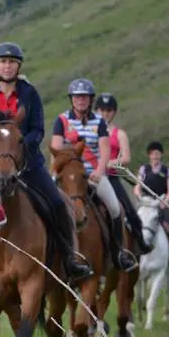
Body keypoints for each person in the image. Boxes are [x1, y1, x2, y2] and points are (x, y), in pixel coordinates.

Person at [0, 42, 94, 282]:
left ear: (18, 66)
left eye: (12, 62)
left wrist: (21, 147)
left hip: (27, 164)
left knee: (57, 203)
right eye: (3, 62)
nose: (7, 66)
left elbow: (37, 129)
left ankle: (69, 258)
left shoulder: (29, 93)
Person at [50, 79, 137, 272]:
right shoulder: (62, 120)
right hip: (68, 175)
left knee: (115, 209)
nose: (81, 100)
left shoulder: (99, 122)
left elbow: (105, 150)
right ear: (71, 99)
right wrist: (57, 171)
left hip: (93, 175)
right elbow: (56, 148)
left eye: (84, 97)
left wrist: (99, 172)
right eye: (77, 97)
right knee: (48, 205)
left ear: (90, 100)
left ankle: (118, 252)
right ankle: (50, 252)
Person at [94, 93, 152, 254]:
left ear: (114, 112)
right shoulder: (90, 130)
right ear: (96, 110)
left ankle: (140, 242)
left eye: (109, 110)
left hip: (111, 177)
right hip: (92, 176)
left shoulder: (119, 134)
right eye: (102, 110)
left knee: (130, 211)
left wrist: (112, 162)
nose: (105, 113)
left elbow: (126, 158)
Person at [135, 141, 169, 273]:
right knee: (132, 228)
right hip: (146, 204)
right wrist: (138, 196)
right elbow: (137, 186)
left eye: (157, 154)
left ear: (161, 155)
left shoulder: (166, 170)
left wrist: (165, 201)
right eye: (153, 154)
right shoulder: (143, 169)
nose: (155, 156)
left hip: (161, 204)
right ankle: (131, 259)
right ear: (149, 155)